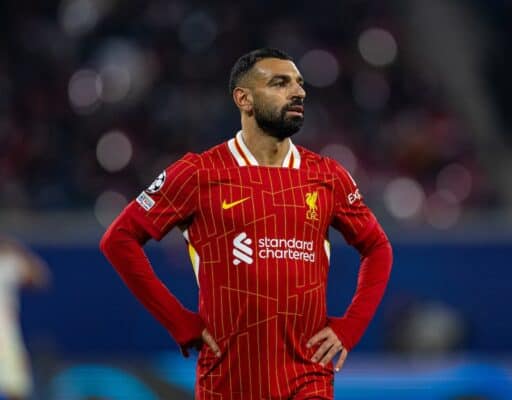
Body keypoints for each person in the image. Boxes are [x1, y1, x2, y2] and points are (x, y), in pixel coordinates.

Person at [100, 48, 393, 400]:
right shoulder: (199, 173)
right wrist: (178, 321)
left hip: (307, 380)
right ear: (244, 99)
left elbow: (377, 247)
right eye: (280, 83)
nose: (298, 92)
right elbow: (119, 239)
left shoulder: (327, 176)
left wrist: (350, 327)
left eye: (299, 84)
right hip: (228, 381)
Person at [0, 237, 49, 400]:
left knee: (15, 388)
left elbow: (40, 278)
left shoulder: (6, 261)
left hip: (4, 334)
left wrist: (16, 247)